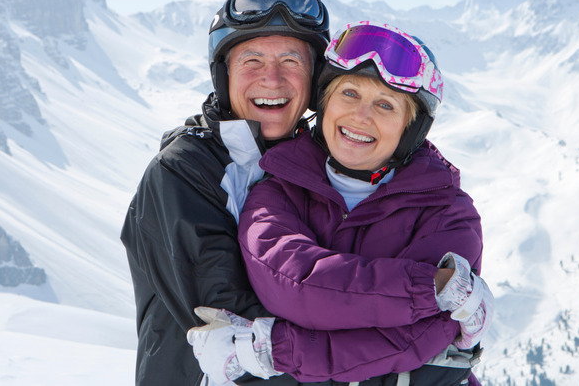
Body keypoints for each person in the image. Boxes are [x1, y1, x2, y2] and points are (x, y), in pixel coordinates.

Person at [187, 22, 494, 385]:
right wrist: (433, 289)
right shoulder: (277, 189)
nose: (361, 116)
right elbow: (296, 287)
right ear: (324, 103)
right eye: (349, 93)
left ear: (409, 129)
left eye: (385, 104)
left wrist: (274, 349)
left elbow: (417, 338)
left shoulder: (449, 213)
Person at [120, 0, 331, 386]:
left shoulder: (318, 167)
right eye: (252, 60)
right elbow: (236, 328)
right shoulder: (183, 172)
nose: (273, 79)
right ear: (225, 74)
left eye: (291, 60)